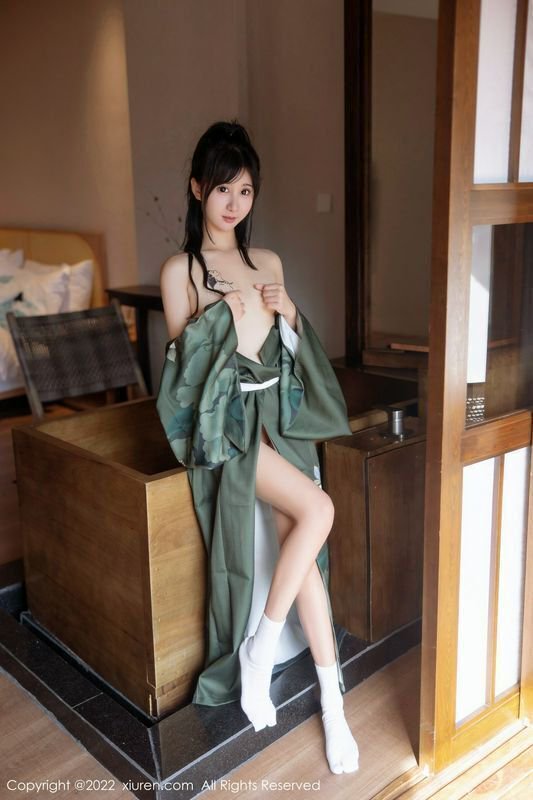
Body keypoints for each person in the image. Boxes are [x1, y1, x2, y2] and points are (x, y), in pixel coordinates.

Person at [156, 121, 359, 775]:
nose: (233, 203)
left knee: (305, 547)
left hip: (278, 419)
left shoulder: (267, 261)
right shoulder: (181, 271)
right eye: (222, 189)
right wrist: (218, 315)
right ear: (197, 189)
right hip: (230, 427)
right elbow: (185, 379)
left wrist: (290, 313)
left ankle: (333, 703)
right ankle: (259, 649)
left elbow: (289, 349)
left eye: (244, 191)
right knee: (319, 509)